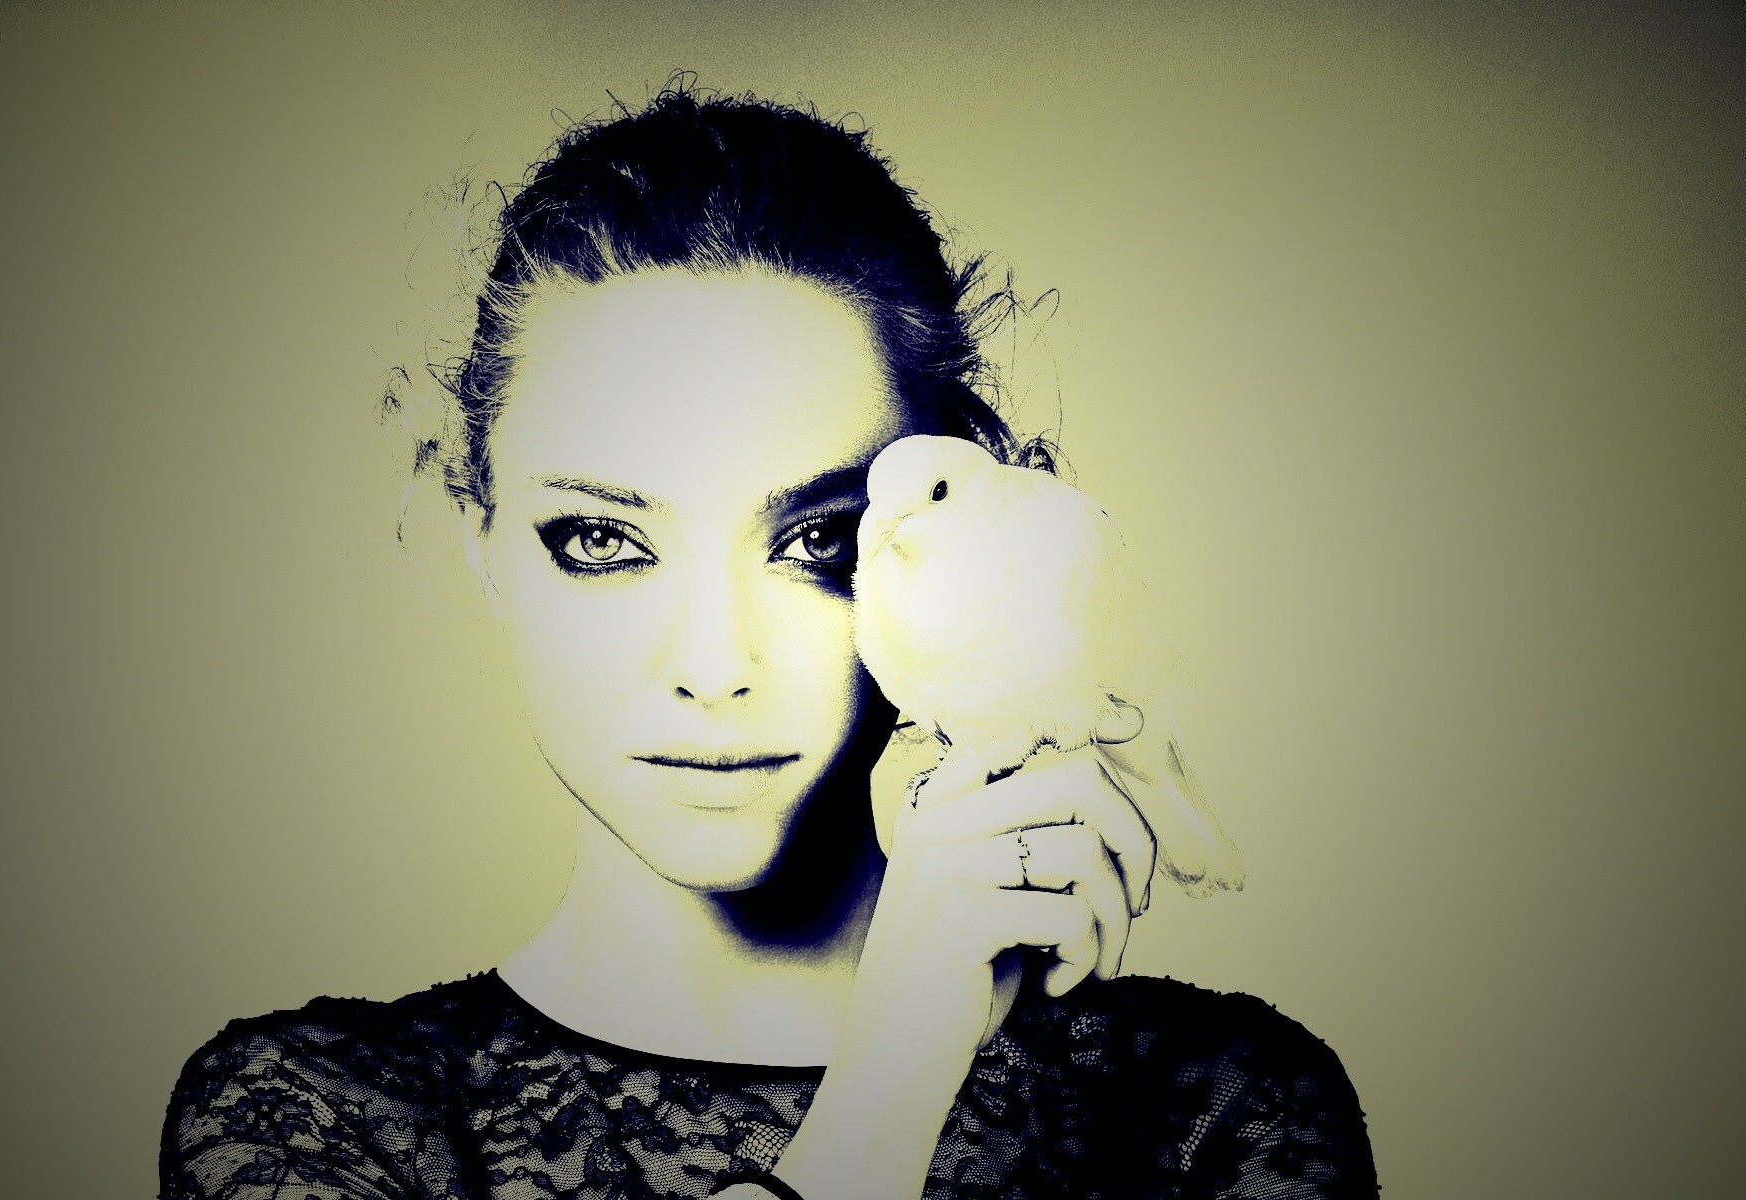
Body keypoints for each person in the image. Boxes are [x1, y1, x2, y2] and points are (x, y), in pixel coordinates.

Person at [159, 85, 1378, 1200]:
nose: (712, 667)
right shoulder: (307, 1116)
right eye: (601, 538)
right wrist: (889, 1088)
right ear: (476, 540)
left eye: (817, 541)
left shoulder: (1224, 1115)